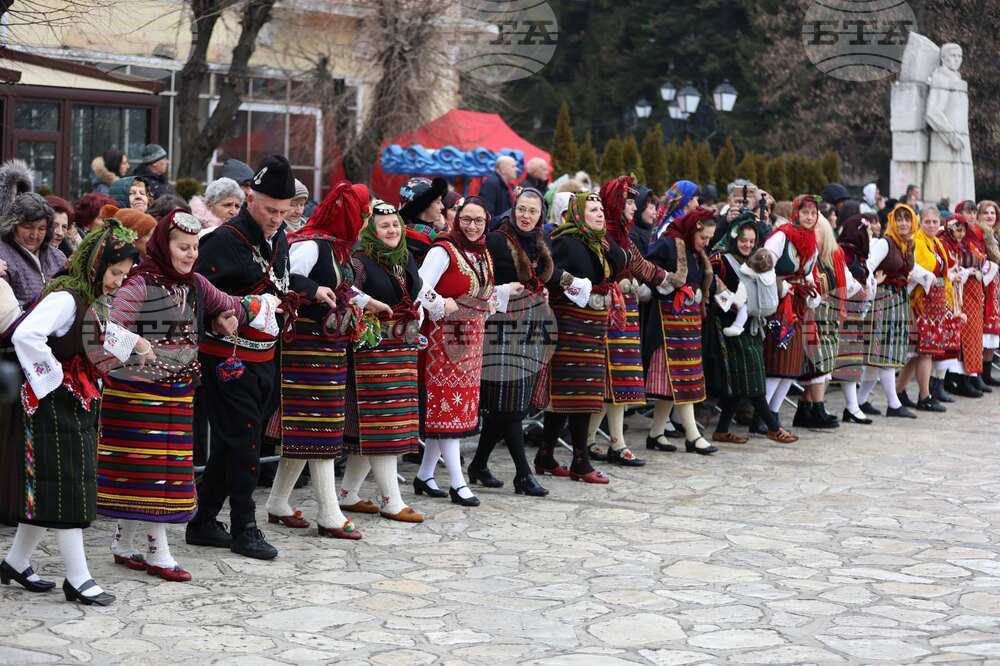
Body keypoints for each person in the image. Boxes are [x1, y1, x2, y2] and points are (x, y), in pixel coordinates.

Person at [97, 210, 275, 582]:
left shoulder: (194, 283)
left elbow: (226, 302)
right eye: (183, 247)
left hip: (176, 392)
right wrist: (139, 342)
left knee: (160, 469)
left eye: (194, 247)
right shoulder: (140, 283)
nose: (191, 254)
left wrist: (236, 313)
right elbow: (108, 329)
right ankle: (158, 552)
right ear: (164, 245)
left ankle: (124, 541)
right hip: (137, 394)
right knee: (151, 472)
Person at [3, 220, 139, 606]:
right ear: (97, 264)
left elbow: (96, 331)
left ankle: (15, 562)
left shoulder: (89, 298)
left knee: (57, 484)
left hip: (73, 402)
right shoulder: (65, 297)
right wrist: (52, 378)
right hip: (52, 403)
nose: (118, 281)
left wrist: (137, 345)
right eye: (116, 273)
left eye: (124, 275)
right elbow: (25, 335)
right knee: (67, 487)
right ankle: (77, 578)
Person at [186, 155, 308, 561]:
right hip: (226, 359)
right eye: (270, 210)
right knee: (244, 443)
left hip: (266, 357)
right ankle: (245, 526)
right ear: (250, 198)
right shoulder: (222, 240)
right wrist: (223, 314)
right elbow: (194, 294)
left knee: (234, 443)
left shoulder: (282, 238)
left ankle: (202, 521)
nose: (277, 218)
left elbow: (284, 283)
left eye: (284, 211)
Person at [265, 181, 389, 540]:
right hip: (304, 346)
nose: (366, 221)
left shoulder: (337, 248)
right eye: (365, 214)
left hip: (328, 346)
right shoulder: (311, 243)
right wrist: (311, 290)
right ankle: (329, 513)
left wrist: (368, 303)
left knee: (313, 426)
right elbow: (282, 277)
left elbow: (343, 288)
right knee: (318, 425)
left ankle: (277, 502)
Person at [415, 197, 516, 506]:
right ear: (456, 220)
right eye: (467, 220)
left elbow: (480, 295)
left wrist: (504, 292)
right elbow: (418, 285)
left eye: (479, 221)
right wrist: (441, 304)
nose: (472, 226)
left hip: (471, 340)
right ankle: (457, 483)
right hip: (444, 340)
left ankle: (424, 475)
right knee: (447, 411)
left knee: (453, 411)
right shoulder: (442, 250)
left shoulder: (483, 252)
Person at [340, 200, 426, 522]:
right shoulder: (360, 261)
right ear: (371, 231)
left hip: (401, 350)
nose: (391, 230)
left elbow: (417, 292)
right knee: (383, 426)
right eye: (384, 226)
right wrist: (368, 305)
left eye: (395, 225)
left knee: (376, 428)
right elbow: (345, 290)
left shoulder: (405, 259)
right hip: (372, 352)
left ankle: (348, 494)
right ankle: (392, 500)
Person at [533, 192, 626, 482]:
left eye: (601, 210)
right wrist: (575, 284)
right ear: (576, 214)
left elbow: (620, 264)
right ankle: (580, 461)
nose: (599, 214)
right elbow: (546, 272)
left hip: (592, 328)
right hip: (570, 326)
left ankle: (546, 455)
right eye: (592, 210)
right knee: (579, 392)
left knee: (570, 394)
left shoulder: (600, 243)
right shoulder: (565, 241)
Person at [470, 188, 551, 496]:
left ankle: (478, 464)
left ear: (540, 214)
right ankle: (523, 474)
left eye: (532, 211)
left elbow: (547, 277)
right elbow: (480, 281)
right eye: (521, 209)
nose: (525, 216)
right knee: (510, 406)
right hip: (501, 327)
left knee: (507, 405)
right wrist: (505, 290)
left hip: (529, 326)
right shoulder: (495, 239)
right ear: (513, 209)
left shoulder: (541, 242)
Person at [588, 176, 671, 465]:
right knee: (611, 379)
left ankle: (596, 440)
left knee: (617, 380)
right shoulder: (601, 234)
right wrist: (617, 284)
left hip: (626, 312)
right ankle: (613, 442)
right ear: (614, 203)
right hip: (607, 312)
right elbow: (597, 270)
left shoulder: (622, 233)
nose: (634, 207)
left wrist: (667, 279)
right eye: (629, 201)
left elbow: (640, 265)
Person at [704, 213, 797, 444]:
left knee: (742, 380)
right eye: (743, 239)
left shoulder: (755, 260)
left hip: (752, 325)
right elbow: (712, 286)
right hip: (729, 326)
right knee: (752, 378)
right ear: (734, 238)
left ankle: (722, 429)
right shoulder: (720, 260)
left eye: (751, 240)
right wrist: (733, 302)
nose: (747, 244)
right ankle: (773, 427)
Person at [645, 207, 719, 454]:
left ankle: (656, 433)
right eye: (704, 238)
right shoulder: (668, 244)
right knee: (680, 378)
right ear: (693, 229)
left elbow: (696, 279)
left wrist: (696, 290)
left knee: (676, 382)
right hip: (668, 324)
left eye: (709, 239)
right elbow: (648, 270)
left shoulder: (697, 252)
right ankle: (692, 435)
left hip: (688, 326)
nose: (706, 243)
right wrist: (671, 286)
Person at [759, 195, 822, 429]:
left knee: (792, 365)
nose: (809, 217)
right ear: (796, 214)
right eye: (805, 213)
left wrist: (811, 291)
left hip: (796, 305)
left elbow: (807, 273)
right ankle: (763, 415)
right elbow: (762, 266)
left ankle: (773, 413)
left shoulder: (812, 242)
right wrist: (779, 285)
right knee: (777, 361)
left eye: (813, 214)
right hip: (776, 305)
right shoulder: (782, 236)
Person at [795, 214, 862, 428]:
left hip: (830, 315)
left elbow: (848, 283)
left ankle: (806, 408)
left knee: (825, 362)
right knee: (817, 363)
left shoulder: (834, 256)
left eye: (817, 232)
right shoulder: (806, 257)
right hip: (812, 315)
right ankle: (817, 407)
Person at [896, 205, 959, 412]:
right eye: (927, 222)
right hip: (921, 302)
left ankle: (899, 390)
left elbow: (946, 275)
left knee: (918, 353)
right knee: (925, 352)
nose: (932, 225)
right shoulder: (917, 242)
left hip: (937, 302)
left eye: (935, 222)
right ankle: (925, 396)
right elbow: (914, 271)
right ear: (920, 223)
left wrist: (950, 302)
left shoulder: (937, 243)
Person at [858, 203, 917, 418]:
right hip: (882, 301)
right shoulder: (885, 242)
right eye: (899, 219)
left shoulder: (909, 245)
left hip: (898, 300)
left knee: (879, 357)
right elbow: (866, 266)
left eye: (907, 219)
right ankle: (893, 404)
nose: (903, 223)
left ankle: (860, 401)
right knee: (885, 353)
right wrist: (876, 280)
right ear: (892, 221)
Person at [833, 213, 878, 424]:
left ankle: (851, 406)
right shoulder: (846, 255)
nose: (870, 235)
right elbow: (846, 284)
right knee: (846, 362)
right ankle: (850, 407)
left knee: (850, 362)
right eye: (867, 232)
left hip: (855, 314)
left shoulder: (859, 256)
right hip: (845, 313)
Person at [940, 215, 987, 397]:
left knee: (965, 335)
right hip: (950, 293)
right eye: (956, 229)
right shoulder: (945, 243)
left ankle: (962, 379)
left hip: (962, 292)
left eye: (962, 229)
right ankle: (948, 381)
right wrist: (966, 272)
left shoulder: (962, 245)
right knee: (954, 338)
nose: (959, 233)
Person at [0, 193, 65, 307]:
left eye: (41, 229)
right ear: (13, 225)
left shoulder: (58, 258)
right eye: (27, 227)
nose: (34, 235)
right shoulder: (3, 254)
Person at [399, 176, 448, 262]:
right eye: (438, 202)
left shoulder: (434, 231)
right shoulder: (418, 240)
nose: (442, 206)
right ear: (423, 205)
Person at [977, 200, 1000, 387]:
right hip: (983, 284)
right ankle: (977, 373)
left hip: (996, 285)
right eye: (986, 213)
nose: (990, 216)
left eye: (993, 213)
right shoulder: (980, 235)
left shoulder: (996, 235)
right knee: (982, 331)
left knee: (994, 331)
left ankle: (986, 372)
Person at [651, 180, 700, 244]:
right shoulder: (670, 227)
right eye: (696, 200)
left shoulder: (682, 223)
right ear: (688, 200)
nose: (698, 204)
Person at [478, 155, 518, 219]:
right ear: (503, 169)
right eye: (513, 166)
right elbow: (487, 213)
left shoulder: (504, 184)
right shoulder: (491, 183)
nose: (517, 169)